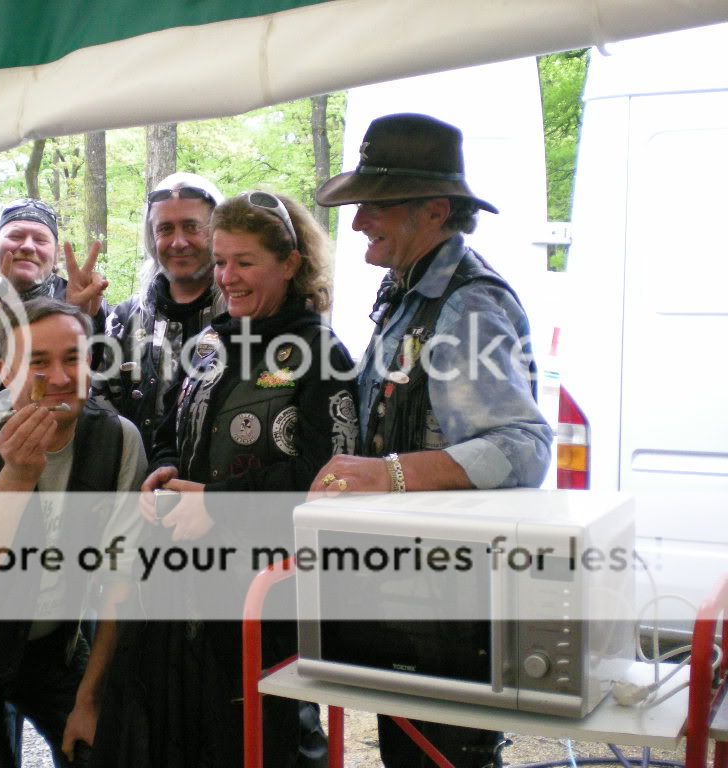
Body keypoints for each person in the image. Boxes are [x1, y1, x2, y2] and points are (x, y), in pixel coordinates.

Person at [310, 113, 554, 768]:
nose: (358, 221)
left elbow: (524, 446)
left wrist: (386, 473)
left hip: (455, 610)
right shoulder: (408, 297)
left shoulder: (466, 304)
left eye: (376, 205)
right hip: (416, 605)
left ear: (436, 211)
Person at [92, 191, 359, 768]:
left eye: (244, 262)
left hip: (270, 596)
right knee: (187, 734)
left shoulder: (322, 354)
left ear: (290, 264)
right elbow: (171, 428)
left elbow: (329, 481)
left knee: (269, 736)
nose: (227, 276)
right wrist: (164, 469)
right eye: (220, 261)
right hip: (187, 586)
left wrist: (220, 503)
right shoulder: (211, 341)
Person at [0, 298, 146, 768]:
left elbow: (120, 584)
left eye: (73, 358)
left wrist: (90, 699)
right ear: (4, 373)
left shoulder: (118, 440)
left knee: (106, 753)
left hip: (50, 646)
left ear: (91, 362)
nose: (59, 378)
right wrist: (16, 476)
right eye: (38, 363)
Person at [94, 172, 225, 456]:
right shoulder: (125, 320)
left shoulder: (241, 316)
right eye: (165, 229)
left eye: (192, 226)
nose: (178, 242)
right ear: (152, 239)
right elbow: (99, 412)